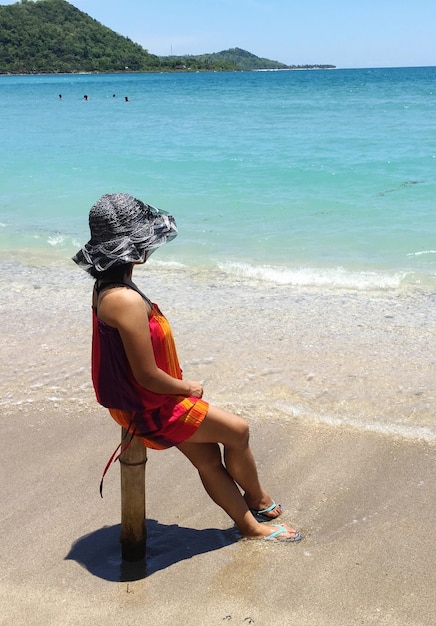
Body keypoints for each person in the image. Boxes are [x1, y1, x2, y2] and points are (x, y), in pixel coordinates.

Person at [72, 193, 301, 543]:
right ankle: (257, 500)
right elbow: (145, 374)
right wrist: (187, 388)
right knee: (238, 431)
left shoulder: (109, 287)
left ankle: (252, 525)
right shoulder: (124, 299)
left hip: (147, 399)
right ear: (133, 246)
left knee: (209, 458)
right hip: (148, 405)